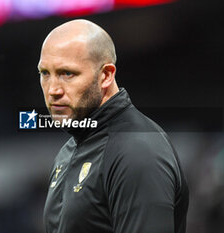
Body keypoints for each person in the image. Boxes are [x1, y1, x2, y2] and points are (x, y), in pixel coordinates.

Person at [38, 19, 189, 233]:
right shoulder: (69, 151)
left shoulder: (137, 150)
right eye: (45, 73)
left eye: (67, 73)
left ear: (106, 76)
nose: (53, 89)